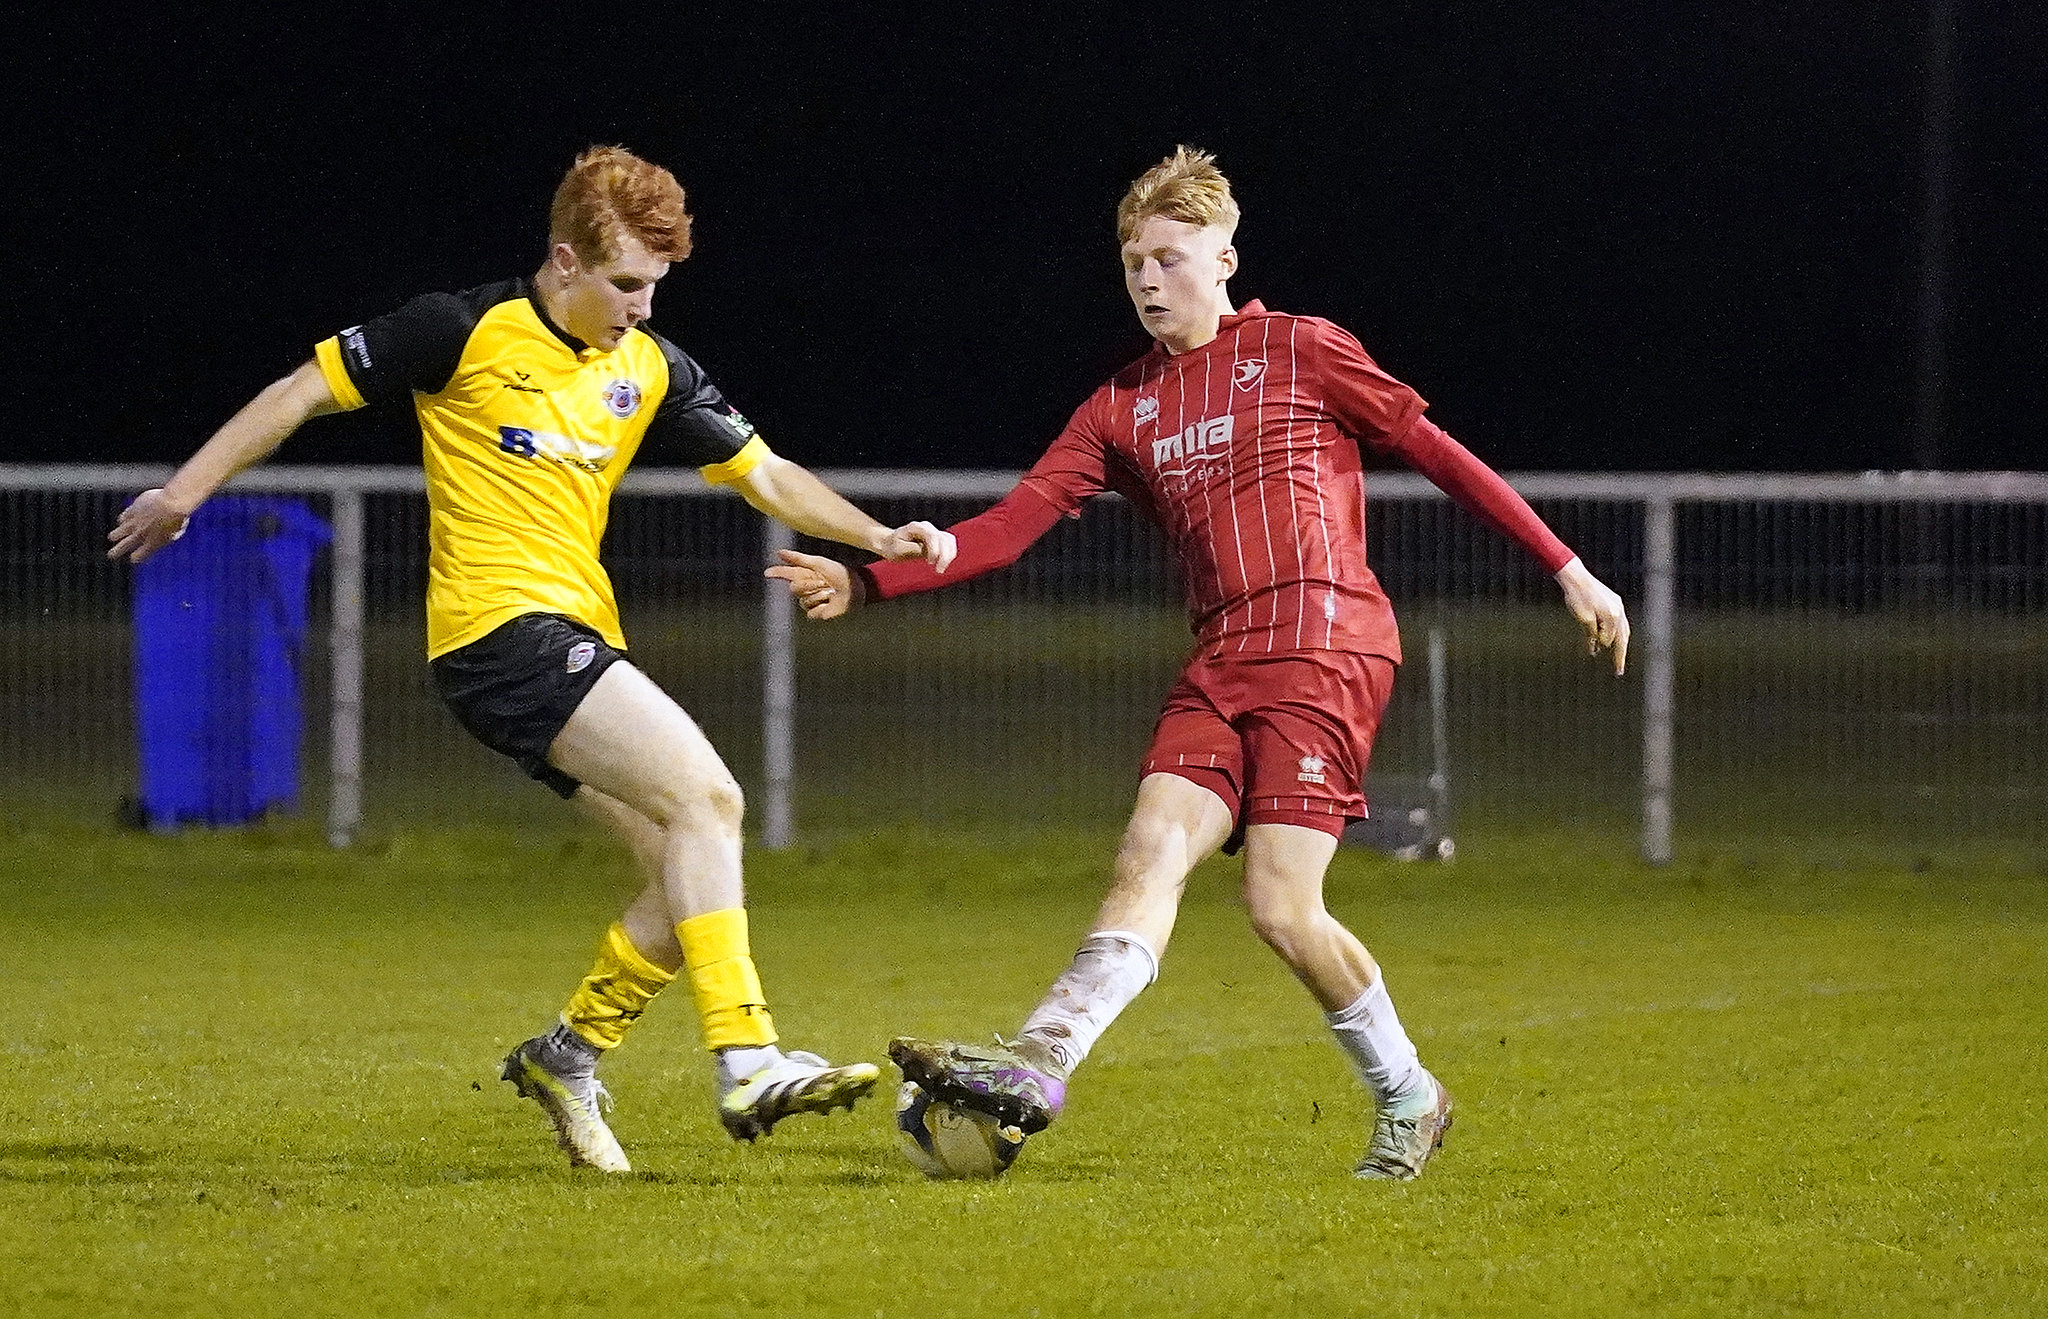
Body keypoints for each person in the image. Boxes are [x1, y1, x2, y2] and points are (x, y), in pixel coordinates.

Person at [767, 146, 1628, 1180]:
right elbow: (1011, 524)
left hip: (1326, 643)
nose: (1147, 279)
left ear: (1224, 260)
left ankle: (1408, 1093)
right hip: (1221, 658)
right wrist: (873, 577)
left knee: (1280, 906)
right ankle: (1041, 1057)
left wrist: (1567, 566)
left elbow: (1435, 450)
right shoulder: (1117, 406)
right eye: (1133, 261)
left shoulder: (1300, 347)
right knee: (1149, 850)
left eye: (1169, 258)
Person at [108, 145, 957, 1173]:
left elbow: (766, 473)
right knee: (713, 798)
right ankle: (747, 1058)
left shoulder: (650, 368)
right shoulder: (460, 329)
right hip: (496, 633)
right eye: (627, 283)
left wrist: (878, 538)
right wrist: (184, 494)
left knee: (682, 866)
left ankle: (567, 1054)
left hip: (571, 639)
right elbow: (298, 392)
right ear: (565, 260)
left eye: (656, 286)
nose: (643, 308)